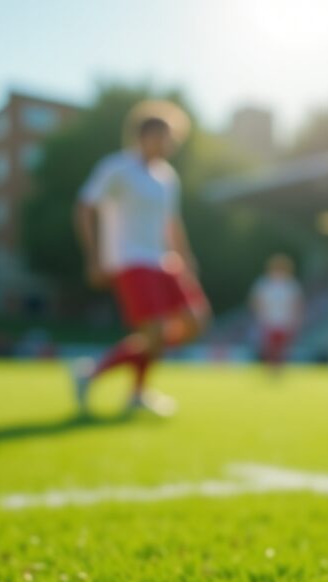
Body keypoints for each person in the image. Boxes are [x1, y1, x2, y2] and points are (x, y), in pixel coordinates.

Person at [73, 100, 210, 417]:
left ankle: (94, 372)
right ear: (145, 136)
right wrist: (93, 257)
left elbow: (171, 223)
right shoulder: (117, 167)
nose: (170, 144)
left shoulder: (167, 177)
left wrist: (186, 259)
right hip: (130, 259)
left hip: (164, 261)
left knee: (194, 322)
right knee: (156, 334)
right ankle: (133, 390)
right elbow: (84, 207)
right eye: (164, 137)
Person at [249, 253, 304, 373]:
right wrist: (260, 316)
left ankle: (279, 370)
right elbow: (256, 301)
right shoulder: (264, 284)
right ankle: (270, 369)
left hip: (285, 322)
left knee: (282, 349)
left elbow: (297, 304)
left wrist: (296, 319)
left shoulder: (291, 285)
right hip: (268, 321)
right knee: (270, 348)